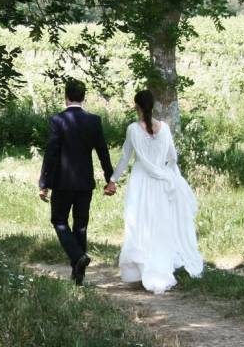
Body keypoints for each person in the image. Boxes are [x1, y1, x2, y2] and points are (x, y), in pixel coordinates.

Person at [107, 90, 204, 294]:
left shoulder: (133, 129)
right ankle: (159, 264)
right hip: (160, 182)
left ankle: (142, 268)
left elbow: (125, 158)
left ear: (137, 107)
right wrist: (165, 171)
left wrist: (112, 180)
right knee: (159, 224)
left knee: (139, 223)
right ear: (153, 106)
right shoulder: (165, 128)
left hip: (141, 181)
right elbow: (173, 157)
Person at [39, 79, 114, 285]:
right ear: (84, 97)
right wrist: (110, 179)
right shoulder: (94, 121)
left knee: (59, 220)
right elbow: (103, 152)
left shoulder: (57, 120)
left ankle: (77, 257)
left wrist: (43, 182)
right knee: (80, 225)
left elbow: (51, 153)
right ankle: (78, 275)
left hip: (62, 182)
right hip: (84, 182)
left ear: (66, 96)